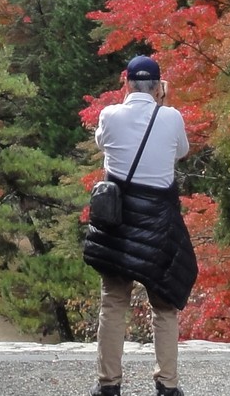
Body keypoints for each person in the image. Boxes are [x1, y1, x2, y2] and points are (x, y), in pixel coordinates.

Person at [82, 55, 196, 396]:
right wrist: (163, 104)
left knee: (114, 303)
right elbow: (182, 151)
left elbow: (103, 143)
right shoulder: (171, 116)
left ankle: (109, 385)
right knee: (164, 307)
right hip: (159, 227)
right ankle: (167, 385)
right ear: (159, 86)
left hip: (117, 224)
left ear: (127, 83)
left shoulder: (109, 115)